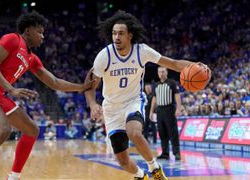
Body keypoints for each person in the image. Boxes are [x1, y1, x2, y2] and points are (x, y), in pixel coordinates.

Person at [0, 11, 93, 180]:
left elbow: (53, 82)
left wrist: (82, 87)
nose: (43, 36)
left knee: (32, 130)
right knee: (3, 129)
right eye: (40, 31)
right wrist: (11, 89)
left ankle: (14, 177)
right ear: (28, 30)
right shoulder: (13, 39)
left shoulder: (32, 58)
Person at [85, 10, 210, 180]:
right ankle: (141, 175)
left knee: (134, 132)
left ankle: (155, 169)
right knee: (123, 161)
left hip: (133, 101)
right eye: (114, 33)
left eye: (121, 33)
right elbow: (89, 85)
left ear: (130, 35)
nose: (116, 37)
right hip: (111, 108)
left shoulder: (141, 51)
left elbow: (172, 63)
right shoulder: (104, 56)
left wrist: (196, 66)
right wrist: (93, 104)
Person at [149, 67, 182, 161]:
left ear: (166, 72)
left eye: (163, 71)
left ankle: (177, 153)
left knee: (173, 132)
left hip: (169, 109)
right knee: (162, 133)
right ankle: (165, 153)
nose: (161, 73)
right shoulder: (155, 85)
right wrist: (151, 111)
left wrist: (178, 108)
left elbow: (177, 95)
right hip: (159, 110)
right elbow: (154, 99)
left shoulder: (172, 83)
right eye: (159, 72)